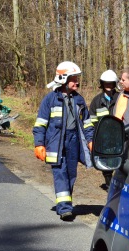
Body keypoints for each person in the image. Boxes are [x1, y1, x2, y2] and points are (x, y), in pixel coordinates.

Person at [33, 61, 94, 221]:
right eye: (73, 79)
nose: (77, 82)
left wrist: (91, 140)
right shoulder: (50, 99)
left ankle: (66, 202)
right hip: (55, 143)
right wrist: (39, 144)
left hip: (74, 140)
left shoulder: (79, 100)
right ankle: (65, 208)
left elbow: (87, 123)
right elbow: (40, 123)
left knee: (71, 174)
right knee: (60, 172)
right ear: (64, 79)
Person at [88, 69, 119, 188]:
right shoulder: (96, 101)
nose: (108, 86)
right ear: (102, 83)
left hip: (118, 136)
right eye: (106, 83)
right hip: (103, 138)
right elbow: (91, 121)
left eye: (111, 83)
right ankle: (108, 182)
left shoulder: (120, 98)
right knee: (105, 164)